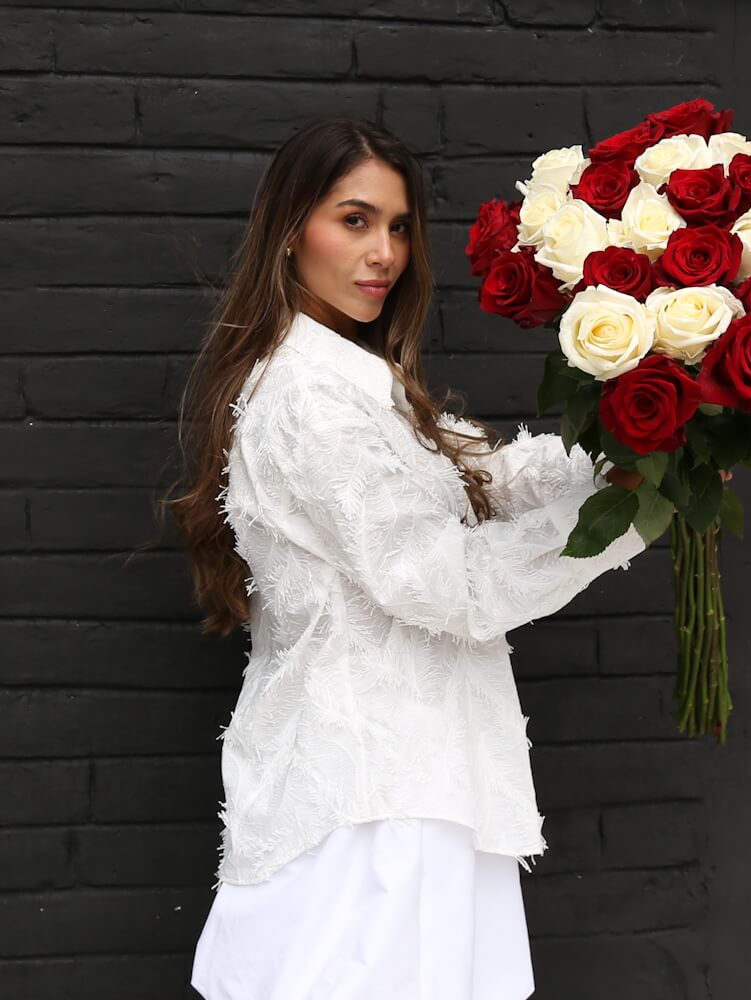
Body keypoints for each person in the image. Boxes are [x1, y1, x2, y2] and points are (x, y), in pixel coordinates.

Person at [164, 115, 650, 1000]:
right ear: (289, 231)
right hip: (370, 800)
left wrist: (644, 447)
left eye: (397, 225)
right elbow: (446, 584)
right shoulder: (308, 398)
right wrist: (635, 511)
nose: (383, 252)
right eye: (354, 220)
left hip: (411, 777)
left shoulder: (361, 382)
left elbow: (490, 475)